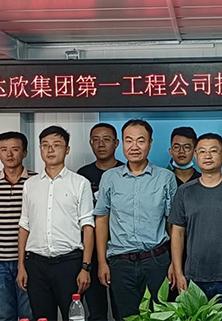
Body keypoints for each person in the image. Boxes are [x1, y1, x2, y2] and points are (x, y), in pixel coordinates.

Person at [94, 119, 177, 320]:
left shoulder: (165, 177)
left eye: (140, 140)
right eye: (128, 140)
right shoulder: (110, 178)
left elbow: (174, 224)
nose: (134, 146)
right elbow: (102, 219)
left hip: (157, 261)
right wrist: (102, 261)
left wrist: (175, 263)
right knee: (126, 317)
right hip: (121, 263)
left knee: (160, 317)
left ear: (150, 143)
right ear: (122, 143)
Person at [169, 133, 222, 321]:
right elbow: (177, 233)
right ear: (195, 155)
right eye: (202, 151)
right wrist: (178, 272)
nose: (207, 156)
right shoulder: (185, 192)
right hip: (194, 278)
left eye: (213, 151)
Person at [16, 126, 95, 321]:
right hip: (36, 264)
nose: (50, 150)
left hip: (69, 264)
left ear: (67, 150)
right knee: (42, 317)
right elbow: (24, 225)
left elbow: (88, 226)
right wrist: (21, 266)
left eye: (56, 145)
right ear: (40, 149)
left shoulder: (80, 183)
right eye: (45, 145)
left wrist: (85, 267)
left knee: (73, 317)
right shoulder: (30, 184)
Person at [0, 131, 36, 321]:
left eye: (15, 149)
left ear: (25, 152)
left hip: (29, 259)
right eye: (4, 150)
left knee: (28, 313)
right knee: (4, 314)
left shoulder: (36, 181)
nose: (9, 154)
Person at [77, 123, 124, 321]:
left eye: (106, 139)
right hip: (90, 252)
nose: (101, 144)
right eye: (95, 140)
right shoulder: (82, 175)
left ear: (116, 143)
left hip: (119, 250)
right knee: (96, 312)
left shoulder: (125, 171)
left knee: (123, 311)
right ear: (90, 143)